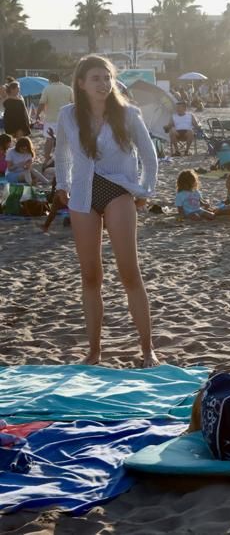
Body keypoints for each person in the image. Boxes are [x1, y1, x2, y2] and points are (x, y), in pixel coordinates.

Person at [54, 55, 159, 366]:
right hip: (83, 194)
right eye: (95, 78)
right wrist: (62, 184)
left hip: (118, 191)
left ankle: (148, 349)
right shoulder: (68, 115)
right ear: (82, 84)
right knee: (90, 276)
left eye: (106, 77)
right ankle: (94, 352)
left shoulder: (128, 114)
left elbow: (150, 158)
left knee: (129, 272)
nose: (102, 83)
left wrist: (144, 191)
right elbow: (61, 153)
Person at [38, 73, 74, 162]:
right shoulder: (68, 89)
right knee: (65, 139)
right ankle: (65, 157)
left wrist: (38, 114)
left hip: (51, 118)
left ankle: (47, 158)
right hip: (65, 118)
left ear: (50, 80)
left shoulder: (47, 89)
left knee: (49, 139)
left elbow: (42, 103)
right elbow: (74, 103)